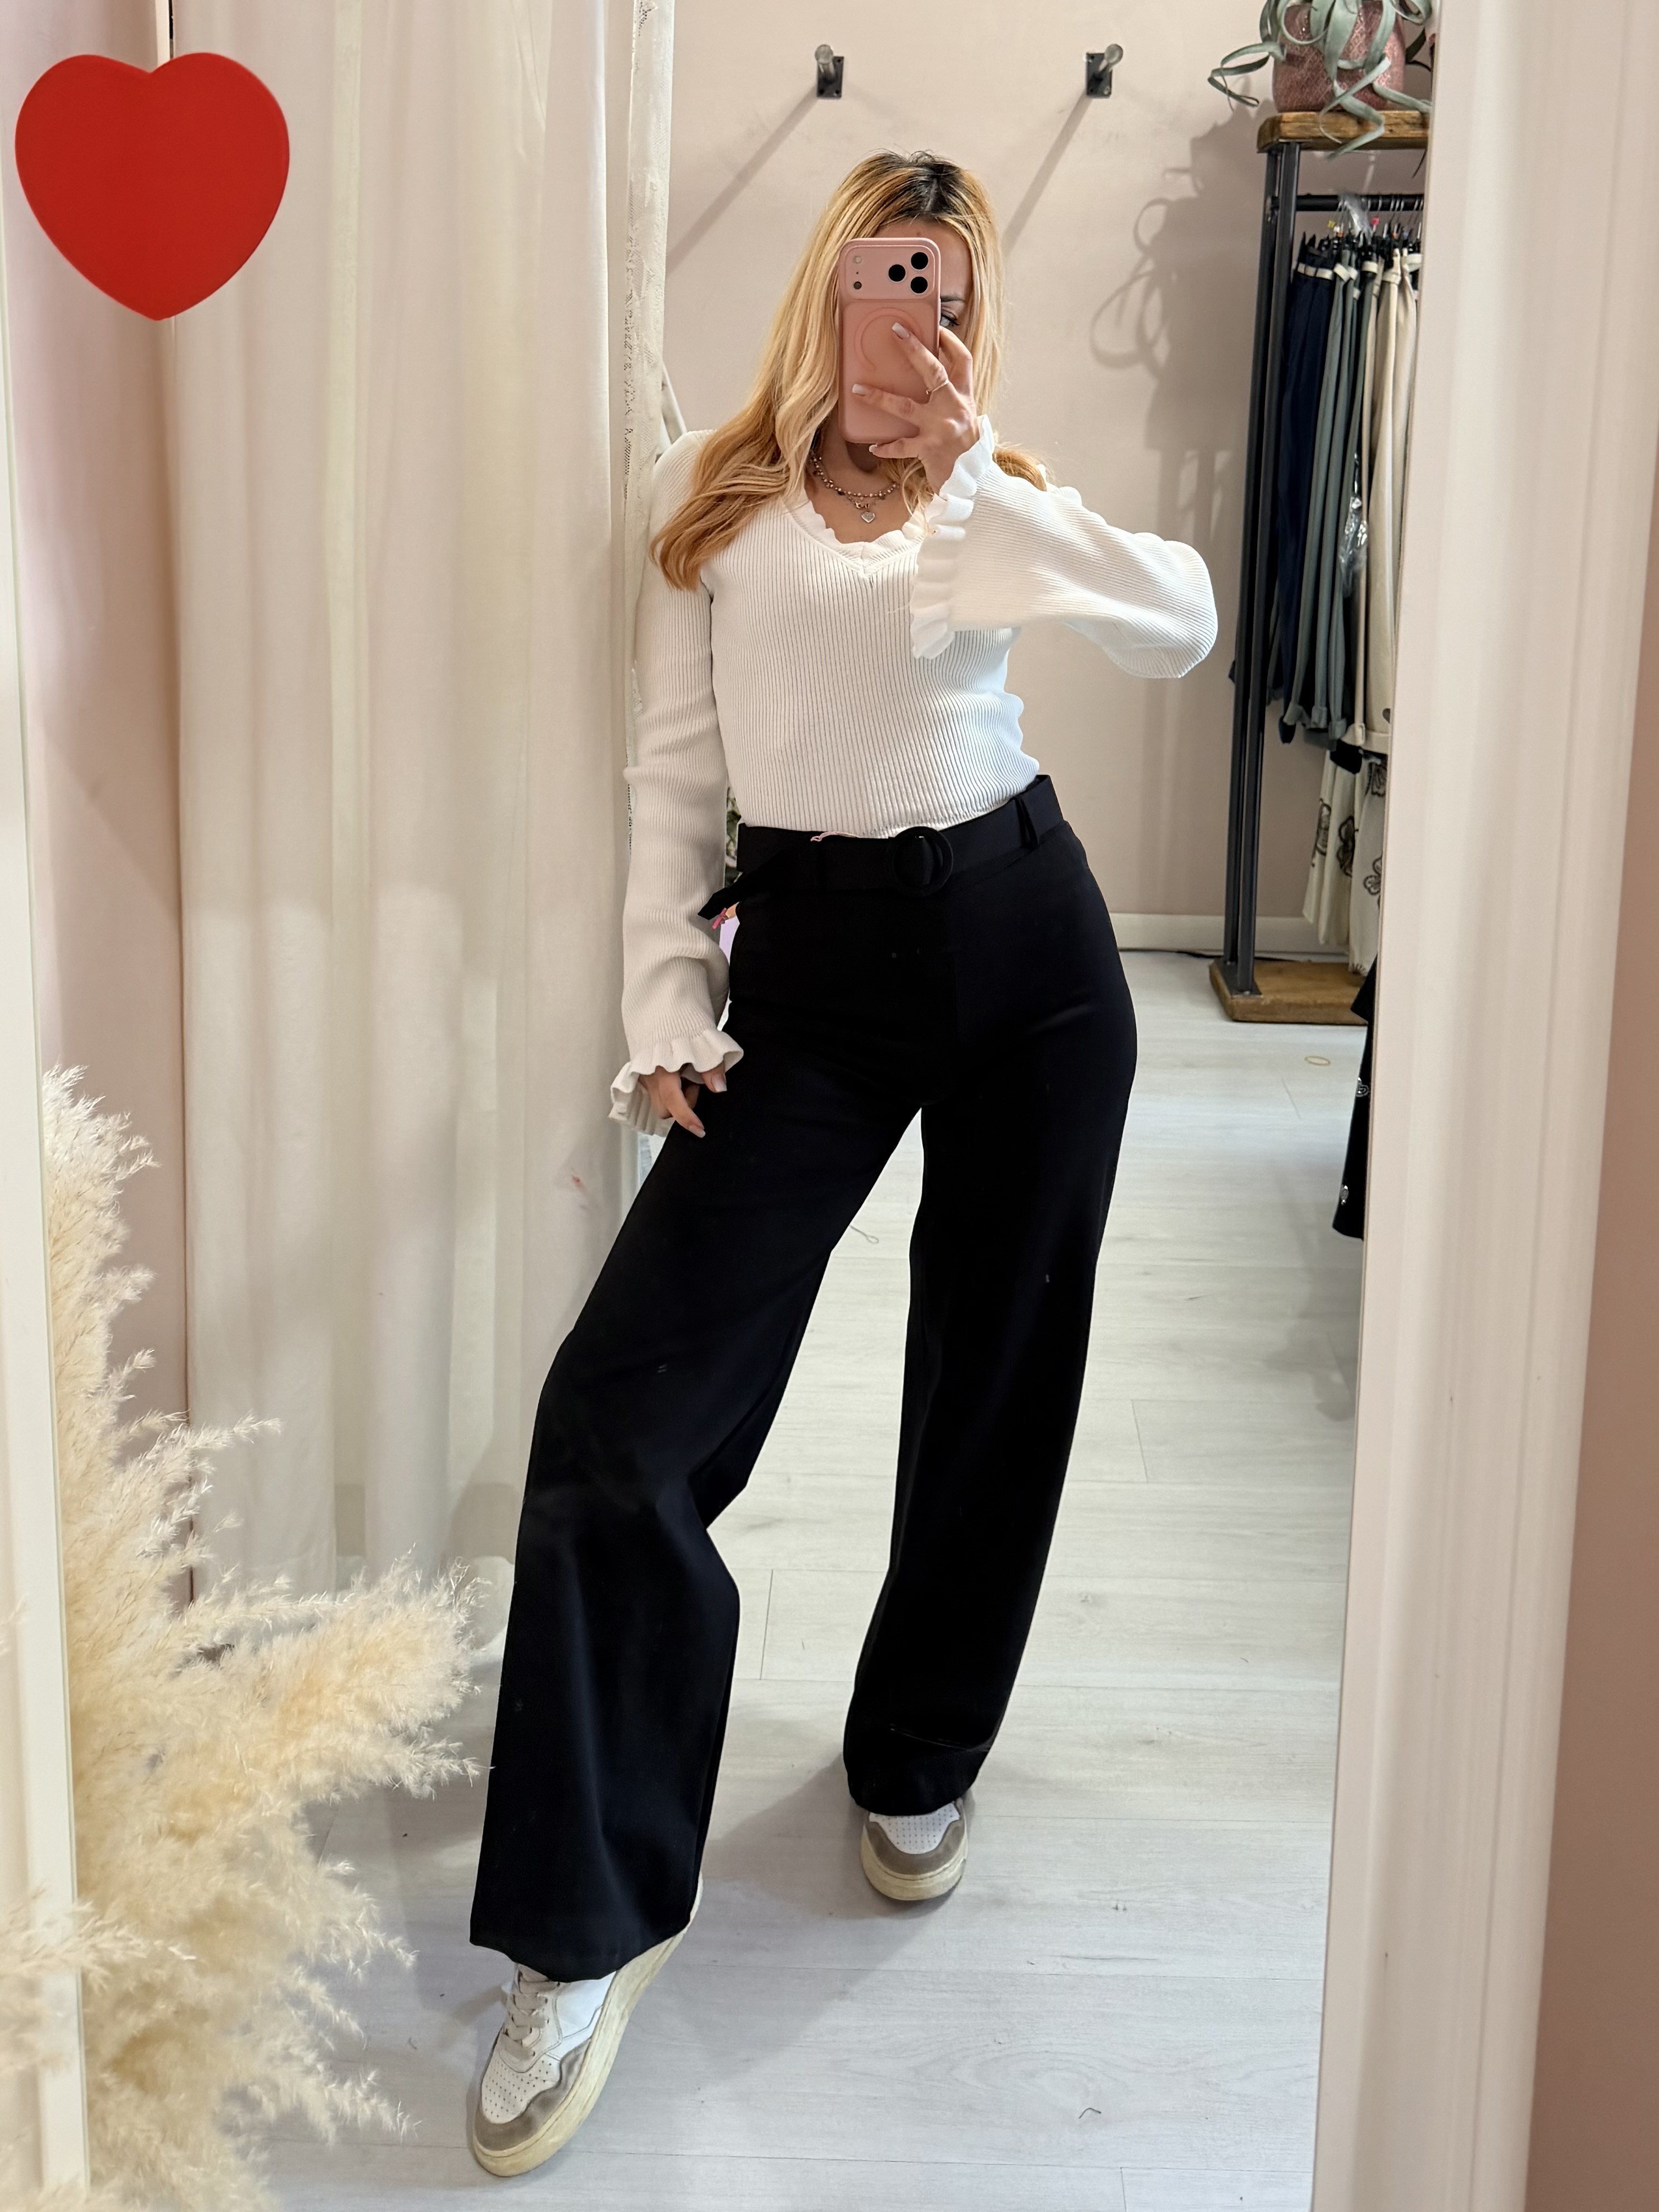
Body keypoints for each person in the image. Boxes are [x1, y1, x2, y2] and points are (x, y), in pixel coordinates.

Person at [466, 149, 1216, 2177]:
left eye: (947, 289)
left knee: (996, 1371)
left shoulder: (999, 499)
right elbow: (671, 783)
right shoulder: (712, 505)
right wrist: (661, 1011)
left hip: (1031, 952)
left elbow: (1180, 624)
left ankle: (918, 1752)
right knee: (619, 1419)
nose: (914, 320)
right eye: (890, 280)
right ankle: (577, 1933)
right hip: (804, 977)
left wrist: (992, 485)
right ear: (828, 287)